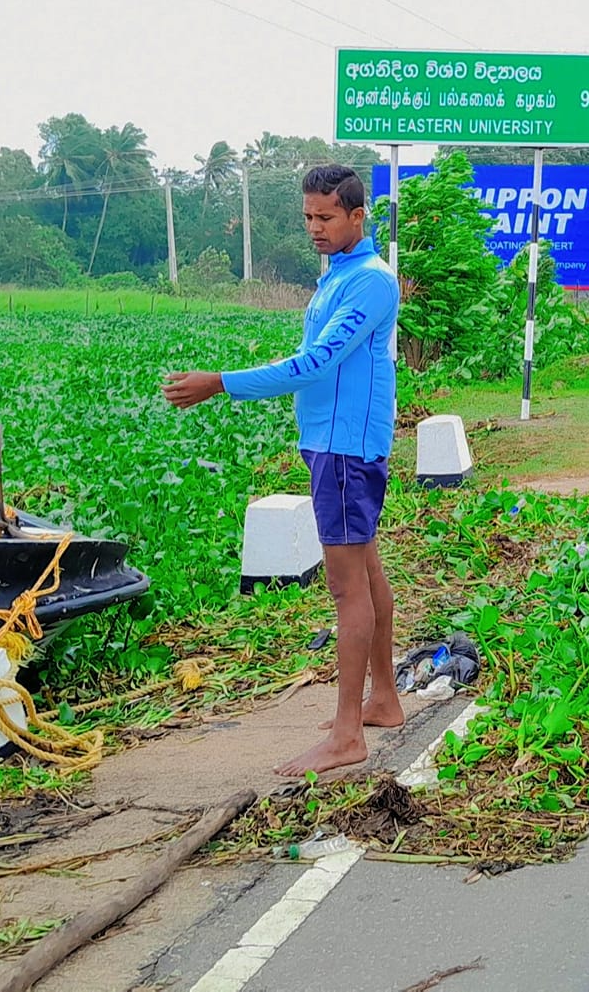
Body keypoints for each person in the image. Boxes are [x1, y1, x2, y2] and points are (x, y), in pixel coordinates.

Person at [162, 164, 403, 775]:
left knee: (348, 587)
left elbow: (316, 363)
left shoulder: (371, 282)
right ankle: (383, 700)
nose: (315, 228)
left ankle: (348, 735)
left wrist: (222, 383)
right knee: (367, 571)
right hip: (331, 444)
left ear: (357, 216)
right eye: (308, 218)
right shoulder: (340, 276)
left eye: (326, 217)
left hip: (346, 448)